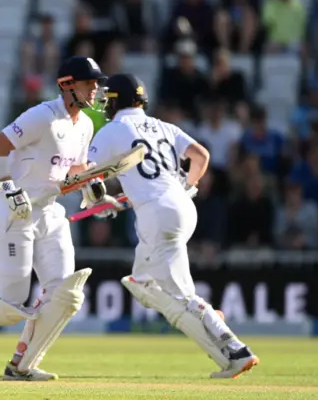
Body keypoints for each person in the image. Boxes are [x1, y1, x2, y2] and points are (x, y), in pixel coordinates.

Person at [0, 56, 122, 380]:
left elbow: (78, 171)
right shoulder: (42, 115)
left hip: (50, 212)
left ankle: (21, 366)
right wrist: (9, 191)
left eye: (97, 83)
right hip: (14, 211)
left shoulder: (84, 125)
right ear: (67, 85)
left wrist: (96, 194)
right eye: (89, 83)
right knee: (8, 310)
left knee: (65, 295)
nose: (95, 89)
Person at [88, 74, 260, 379]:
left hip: (157, 215)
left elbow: (90, 178)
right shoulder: (164, 126)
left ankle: (233, 347)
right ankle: (201, 317)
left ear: (116, 100)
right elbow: (201, 156)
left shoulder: (111, 130)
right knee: (139, 282)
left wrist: (98, 202)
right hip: (182, 207)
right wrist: (188, 185)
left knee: (181, 295)